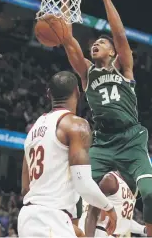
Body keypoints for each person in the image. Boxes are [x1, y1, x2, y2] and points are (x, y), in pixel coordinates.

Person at [62, 0, 152, 236]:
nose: (96, 44)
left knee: (149, 196)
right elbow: (68, 41)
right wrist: (64, 1)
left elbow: (119, 33)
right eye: (94, 42)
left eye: (102, 43)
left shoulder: (124, 69)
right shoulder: (87, 72)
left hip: (131, 139)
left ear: (113, 52)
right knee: (85, 192)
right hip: (103, 141)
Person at [18, 71, 117, 238]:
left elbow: (25, 188)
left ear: (49, 94)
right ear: (77, 92)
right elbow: (83, 183)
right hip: (51, 218)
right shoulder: (76, 125)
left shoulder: (33, 131)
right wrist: (109, 207)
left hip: (28, 217)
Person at [81, 171, 146, 237]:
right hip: (101, 232)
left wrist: (143, 229)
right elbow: (92, 213)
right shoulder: (111, 180)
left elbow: (124, 221)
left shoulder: (130, 192)